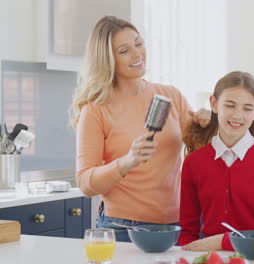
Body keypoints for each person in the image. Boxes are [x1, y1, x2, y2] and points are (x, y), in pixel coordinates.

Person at [70, 16, 210, 242]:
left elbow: (201, 148)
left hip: (179, 223)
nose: (137, 54)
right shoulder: (96, 110)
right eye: (124, 50)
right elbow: (86, 184)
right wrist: (127, 161)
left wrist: (208, 122)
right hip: (123, 228)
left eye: (139, 43)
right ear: (108, 60)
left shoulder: (169, 95)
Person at [178, 71, 254, 251]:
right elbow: (187, 232)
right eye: (230, 105)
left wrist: (226, 243)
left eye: (247, 108)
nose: (237, 116)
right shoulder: (193, 163)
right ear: (214, 104)